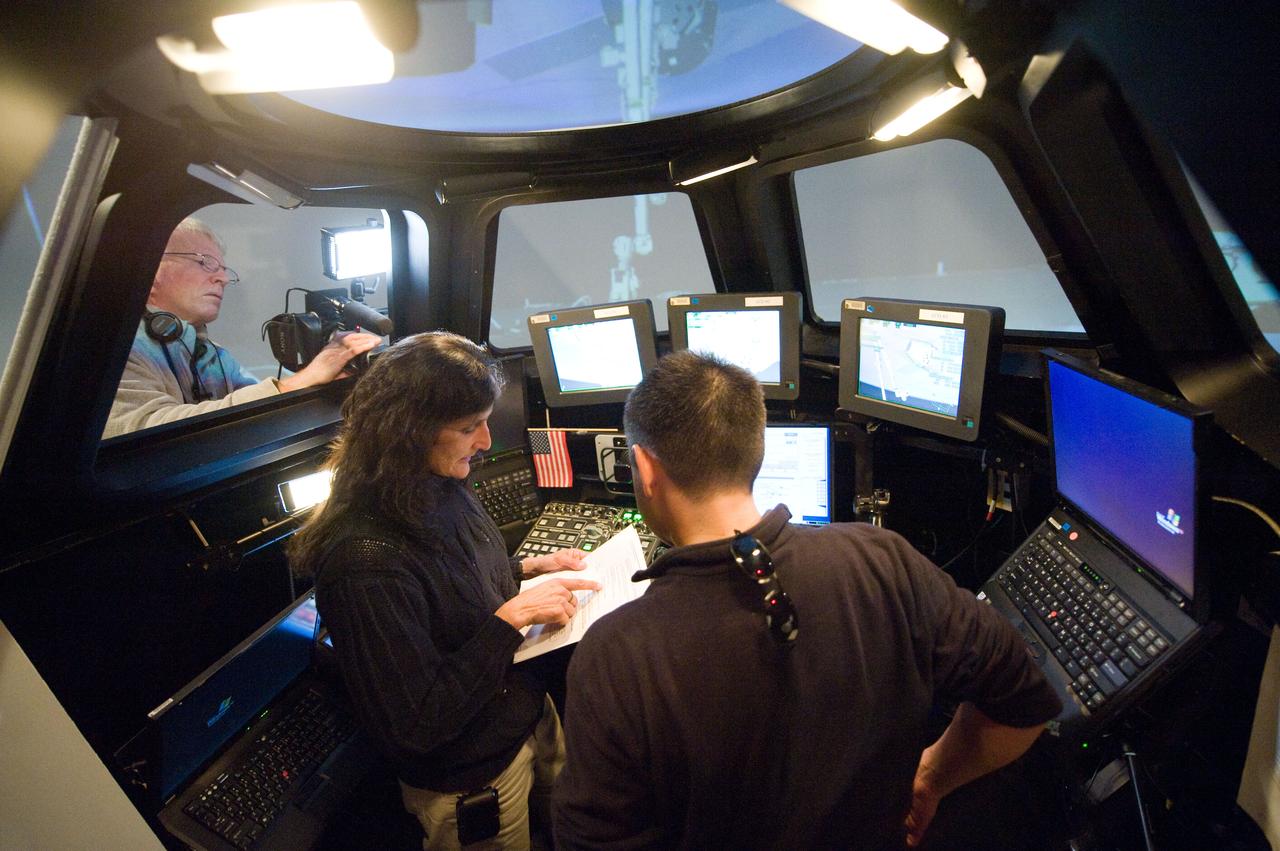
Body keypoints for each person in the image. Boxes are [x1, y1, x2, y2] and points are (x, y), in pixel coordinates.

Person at [552, 351, 1063, 850]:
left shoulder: (614, 655)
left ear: (644, 467)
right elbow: (1023, 700)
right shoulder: (884, 559)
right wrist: (929, 779)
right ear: (756, 449)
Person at [288, 331, 600, 850]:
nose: (485, 443)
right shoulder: (364, 562)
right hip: (474, 779)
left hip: (525, 718)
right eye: (468, 427)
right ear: (408, 433)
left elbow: (450, 574)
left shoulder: (435, 481)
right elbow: (416, 725)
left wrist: (525, 567)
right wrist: (510, 619)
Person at [103, 217, 383, 438]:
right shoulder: (114, 351)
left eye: (224, 270)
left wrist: (330, 378)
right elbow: (143, 431)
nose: (223, 278)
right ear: (153, 270)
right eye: (206, 263)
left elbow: (260, 403)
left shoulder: (212, 356)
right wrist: (300, 380)